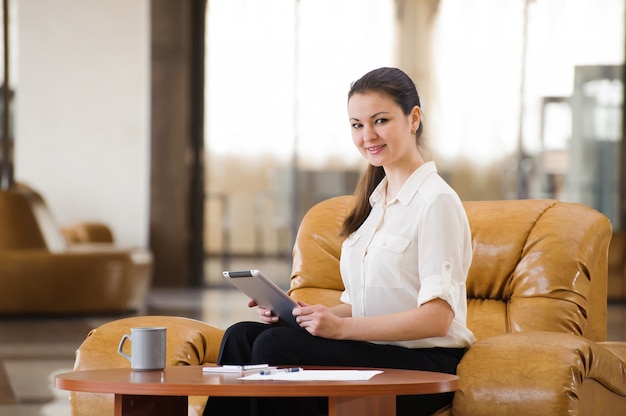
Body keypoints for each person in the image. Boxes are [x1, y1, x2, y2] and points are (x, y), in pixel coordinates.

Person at [203, 67, 475, 416]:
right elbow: (364, 304)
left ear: (414, 118)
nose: (368, 136)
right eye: (357, 125)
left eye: (380, 120)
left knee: (276, 346)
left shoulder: (435, 201)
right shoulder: (375, 204)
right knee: (241, 335)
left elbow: (436, 319)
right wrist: (303, 315)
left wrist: (342, 328)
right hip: (372, 348)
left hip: (422, 364)